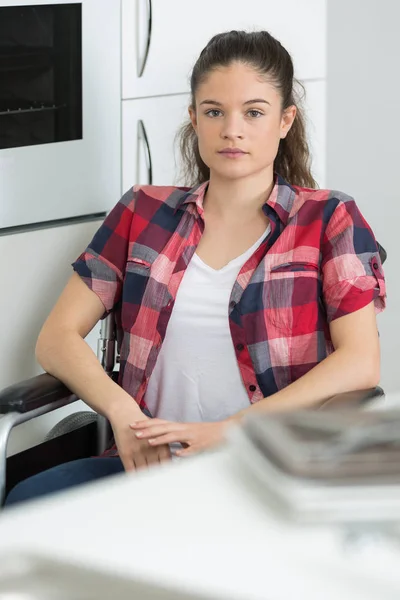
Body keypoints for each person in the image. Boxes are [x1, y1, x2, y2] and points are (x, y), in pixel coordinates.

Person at [5, 30, 386, 506]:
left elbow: (359, 362)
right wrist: (123, 415)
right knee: (27, 504)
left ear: (285, 120)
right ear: (194, 118)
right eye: (213, 112)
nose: (232, 130)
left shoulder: (330, 219)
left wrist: (229, 432)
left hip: (262, 470)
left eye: (253, 112)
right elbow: (56, 338)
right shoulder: (141, 212)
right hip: (146, 466)